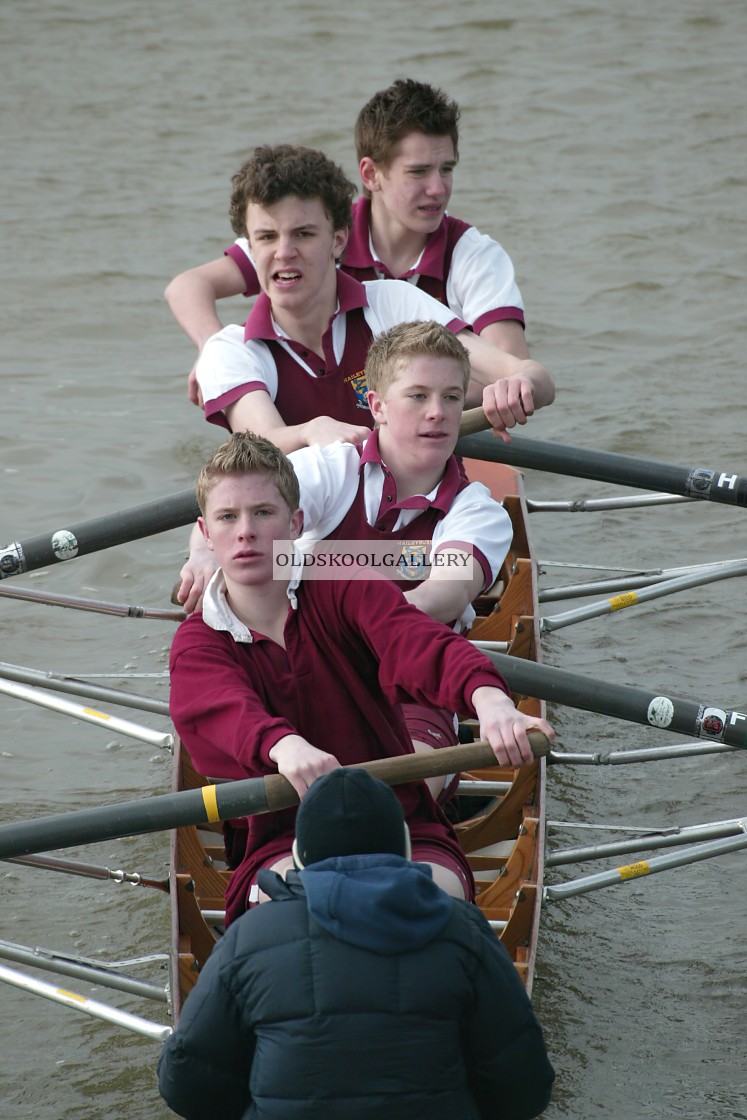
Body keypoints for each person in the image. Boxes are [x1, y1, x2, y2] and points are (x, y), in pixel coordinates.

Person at [168, 433, 556, 924]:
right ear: (206, 533)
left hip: (401, 820)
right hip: (282, 837)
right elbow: (221, 710)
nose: (246, 532)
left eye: (263, 513)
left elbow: (418, 642)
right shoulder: (198, 643)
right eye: (228, 517)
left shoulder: (345, 587)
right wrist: (283, 746)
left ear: (297, 522)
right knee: (293, 912)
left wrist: (490, 698)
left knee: (443, 907)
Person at [180, 321, 517, 802]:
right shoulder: (331, 466)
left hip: (414, 681)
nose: (438, 414)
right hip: (306, 666)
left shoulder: (477, 511)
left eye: (451, 397)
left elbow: (445, 593)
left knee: (401, 795)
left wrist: (361, 616)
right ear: (377, 406)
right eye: (418, 396)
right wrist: (202, 556)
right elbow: (242, 513)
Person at [157, 767, 555, 1120]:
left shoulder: (249, 936)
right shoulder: (464, 930)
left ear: (298, 858)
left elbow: (187, 1088)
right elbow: (524, 1089)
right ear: (404, 848)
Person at [165, 79, 533, 409]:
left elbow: (507, 378)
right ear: (371, 174)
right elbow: (187, 287)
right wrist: (213, 351)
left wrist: (400, 407)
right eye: (418, 172)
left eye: (447, 169)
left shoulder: (472, 255)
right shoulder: (307, 235)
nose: (438, 189)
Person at [191, 143, 553, 453]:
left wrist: (519, 385)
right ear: (250, 248)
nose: (284, 252)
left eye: (303, 234)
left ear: (338, 240)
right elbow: (265, 442)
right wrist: (308, 431)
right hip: (310, 533)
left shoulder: (394, 305)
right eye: (267, 237)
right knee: (212, 536)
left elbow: (532, 376)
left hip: (422, 530)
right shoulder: (229, 351)